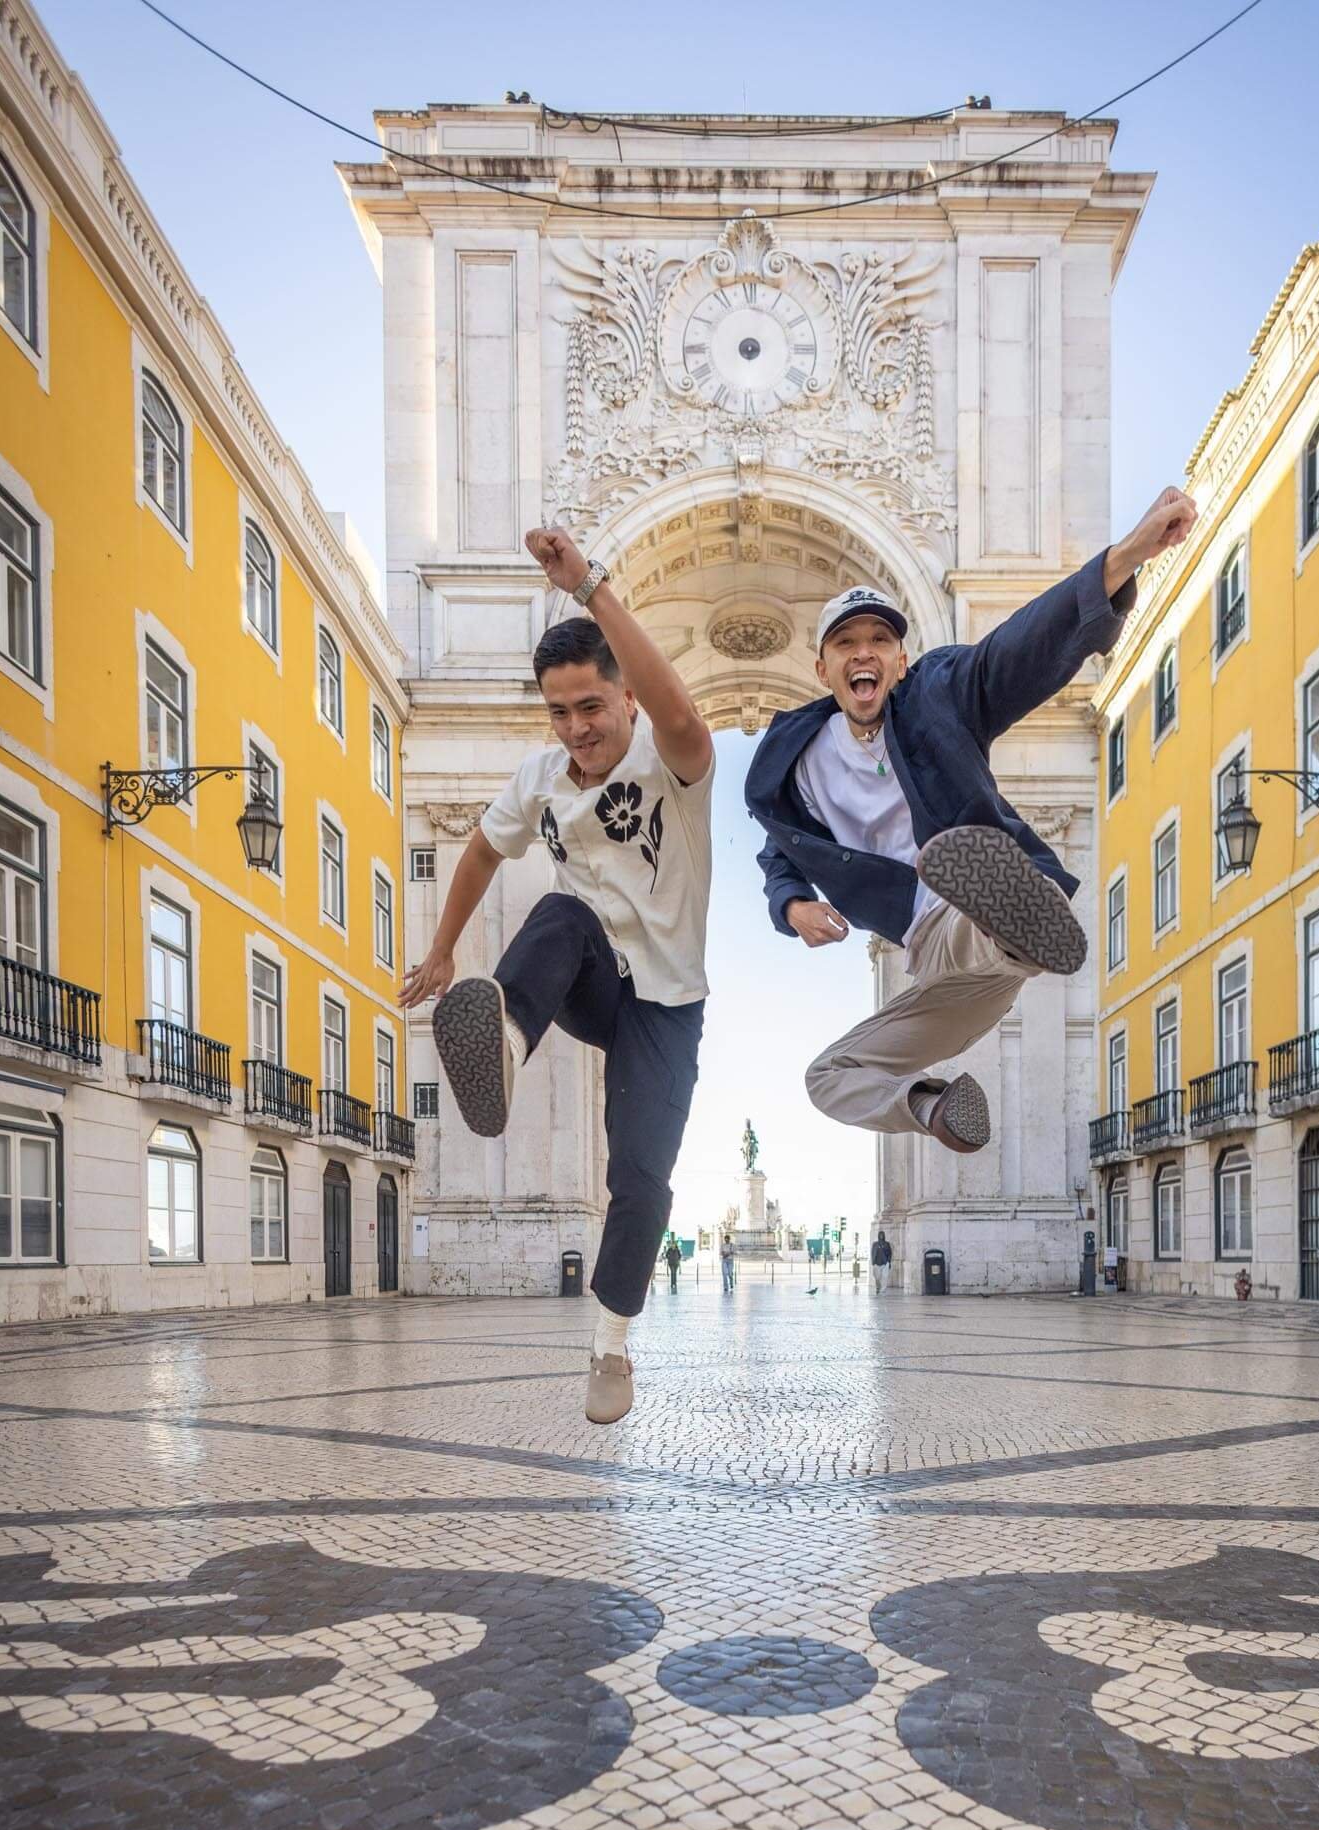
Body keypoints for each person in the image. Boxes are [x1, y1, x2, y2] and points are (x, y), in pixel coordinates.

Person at [746, 491, 1196, 1155]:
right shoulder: (798, 761)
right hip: (940, 971)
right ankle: (931, 1104)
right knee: (828, 1077)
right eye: (845, 643)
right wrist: (790, 905)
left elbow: (1018, 650)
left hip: (965, 913)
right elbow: (780, 846)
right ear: (822, 669)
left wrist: (1125, 556)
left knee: (968, 902)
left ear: (899, 662)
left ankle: (1014, 918)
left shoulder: (936, 695)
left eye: (879, 641)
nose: (862, 653)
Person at [401, 524, 713, 1425]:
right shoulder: (540, 776)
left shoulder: (675, 763)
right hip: (590, 979)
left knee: (642, 1175)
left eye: (591, 706)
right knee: (561, 912)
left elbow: (685, 715)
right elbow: (477, 853)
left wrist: (591, 588)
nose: (577, 729)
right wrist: (444, 947)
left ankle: (610, 1345)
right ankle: (502, 1035)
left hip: (666, 1007)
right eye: (560, 712)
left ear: (625, 698)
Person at [870, 1227, 892, 1295]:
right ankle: (878, 1287)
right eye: (880, 1235)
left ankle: (883, 1290)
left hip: (885, 1263)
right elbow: (872, 1252)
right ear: (878, 1236)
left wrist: (888, 1261)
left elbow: (890, 1253)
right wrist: (873, 1262)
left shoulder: (887, 1244)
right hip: (876, 1263)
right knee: (877, 1277)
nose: (881, 1236)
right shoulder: (875, 1244)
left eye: (882, 1235)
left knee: (885, 1277)